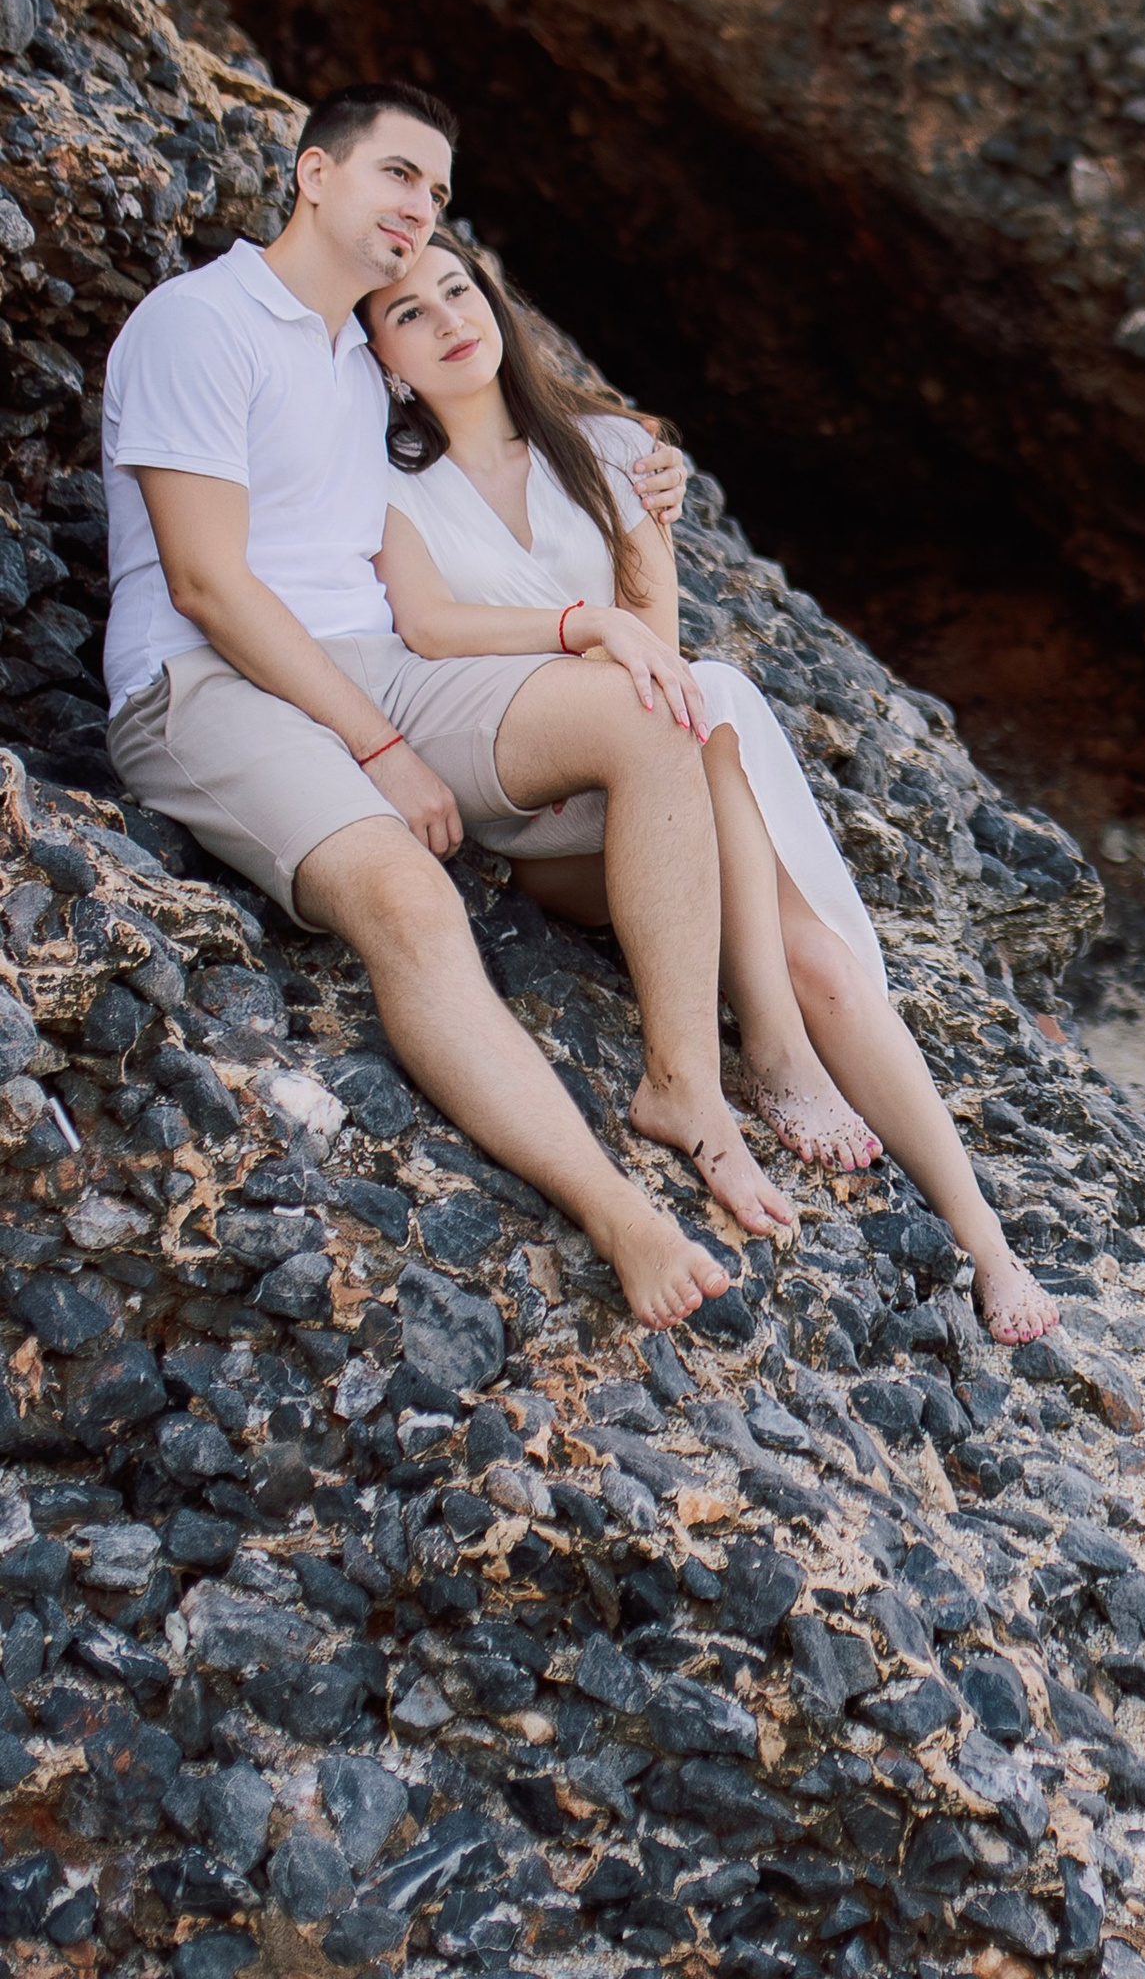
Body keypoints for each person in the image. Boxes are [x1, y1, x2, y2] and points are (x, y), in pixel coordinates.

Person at [100, 83, 791, 1333]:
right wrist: (380, 752)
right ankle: (614, 1208)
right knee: (408, 898)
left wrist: (646, 460)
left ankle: (685, 1084)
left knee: (647, 716)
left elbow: (501, 403)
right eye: (399, 174)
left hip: (375, 659)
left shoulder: (363, 356)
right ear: (315, 174)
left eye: (438, 194)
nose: (421, 207)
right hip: (202, 676)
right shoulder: (199, 325)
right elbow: (206, 580)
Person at [359, 225, 1061, 1346]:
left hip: (663, 789)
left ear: (495, 304)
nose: (449, 321)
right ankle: (771, 1055)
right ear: (386, 360)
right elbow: (428, 628)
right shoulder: (397, 489)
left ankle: (986, 1239)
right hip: (543, 813)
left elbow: (659, 645)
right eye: (409, 313)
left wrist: (617, 619)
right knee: (701, 705)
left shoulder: (608, 448)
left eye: (460, 291)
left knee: (812, 937)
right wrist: (578, 634)